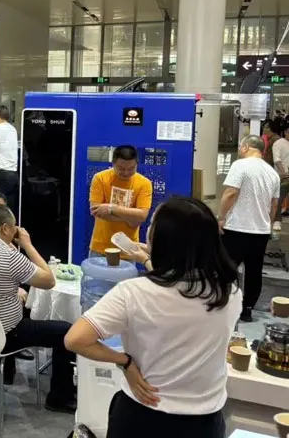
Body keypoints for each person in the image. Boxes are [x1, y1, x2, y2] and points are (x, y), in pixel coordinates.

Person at [65, 197, 240, 438]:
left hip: (143, 416)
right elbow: (176, 287)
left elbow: (75, 339)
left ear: (159, 240)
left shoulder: (132, 292)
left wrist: (125, 361)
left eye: (153, 225)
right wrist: (147, 260)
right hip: (205, 421)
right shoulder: (230, 293)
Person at [0, 205, 76, 412]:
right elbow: (49, 281)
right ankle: (59, 398)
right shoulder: (9, 257)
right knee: (66, 331)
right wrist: (27, 245)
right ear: (5, 228)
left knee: (20, 302)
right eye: (14, 227)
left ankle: (8, 373)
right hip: (4, 335)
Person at [218, 135, 279, 322]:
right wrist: (268, 224)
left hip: (237, 228)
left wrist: (221, 217)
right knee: (254, 271)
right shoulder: (272, 173)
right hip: (261, 231)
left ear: (245, 147)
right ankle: (247, 309)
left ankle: (222, 306)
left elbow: (230, 193)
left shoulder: (240, 165)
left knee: (226, 268)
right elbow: (274, 204)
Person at [88, 145, 153, 256]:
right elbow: (96, 211)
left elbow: (142, 215)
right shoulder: (100, 178)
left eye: (131, 168)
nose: (126, 173)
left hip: (128, 248)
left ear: (137, 164)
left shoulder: (144, 184)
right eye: (121, 169)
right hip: (100, 246)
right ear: (113, 163)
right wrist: (131, 219)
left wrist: (112, 208)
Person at [268, 119, 289, 230]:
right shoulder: (278, 143)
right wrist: (283, 173)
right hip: (283, 176)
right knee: (279, 197)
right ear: (285, 132)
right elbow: (277, 160)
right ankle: (277, 220)